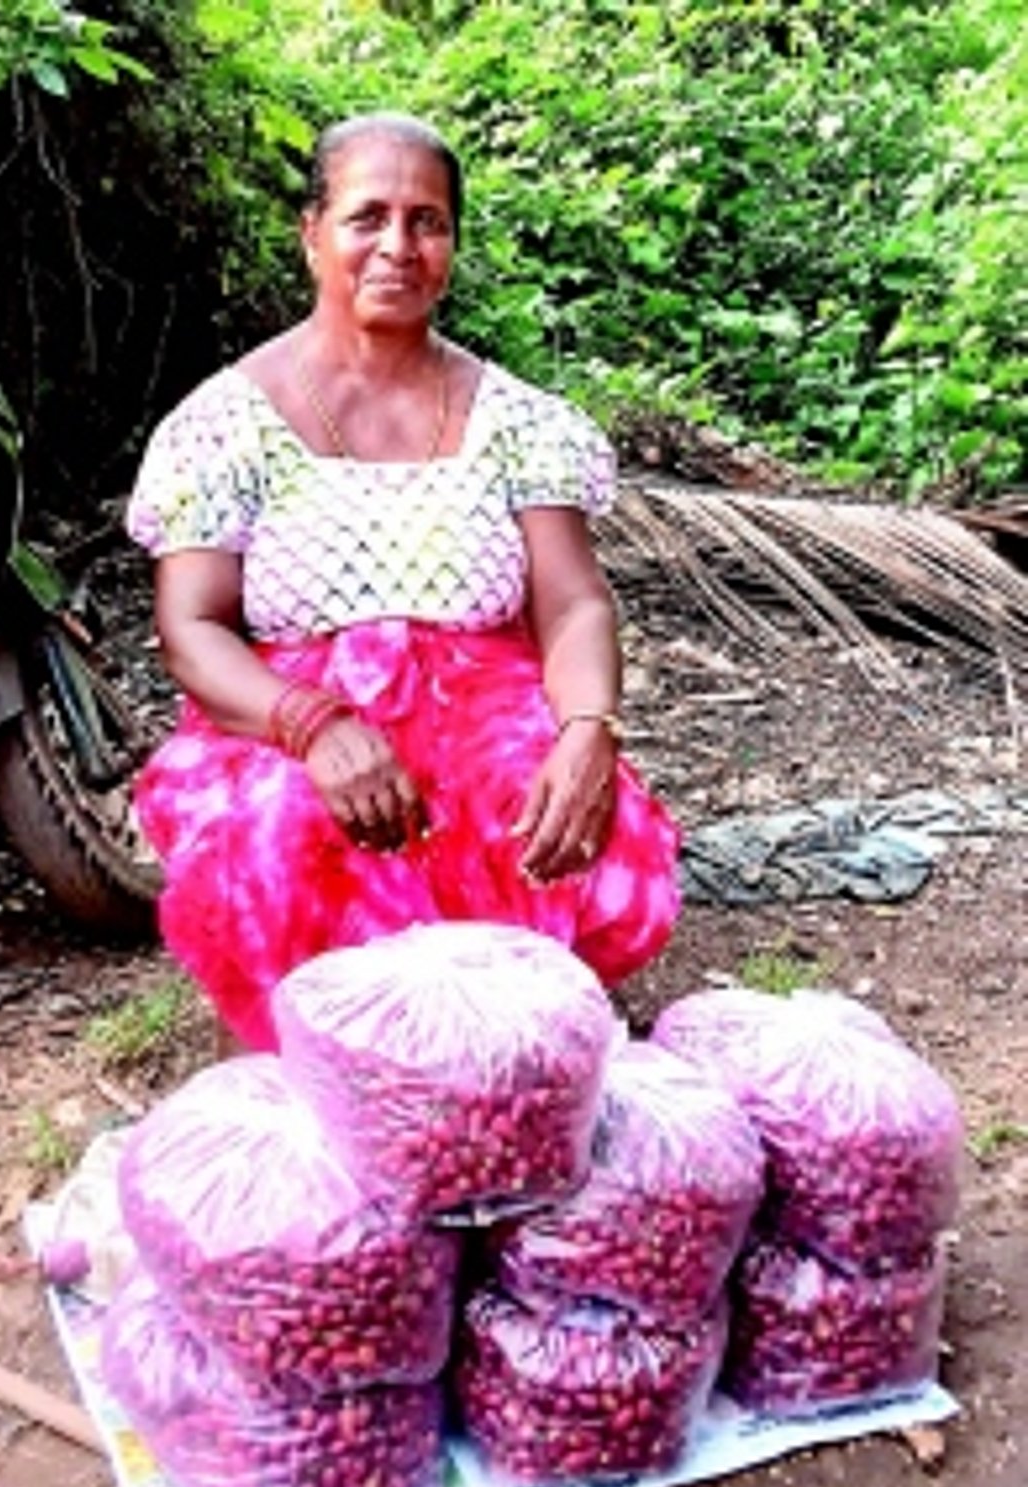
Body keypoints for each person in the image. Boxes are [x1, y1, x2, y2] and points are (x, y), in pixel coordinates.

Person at [126, 111, 680, 1050]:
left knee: (558, 813)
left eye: (427, 221)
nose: (398, 246)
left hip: (486, 706)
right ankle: (342, 1059)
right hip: (282, 719)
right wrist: (315, 725)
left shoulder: (519, 422)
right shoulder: (223, 426)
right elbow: (193, 628)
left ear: (453, 242)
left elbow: (574, 602)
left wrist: (587, 730)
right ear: (312, 232)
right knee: (283, 832)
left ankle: (515, 1053)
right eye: (367, 216)